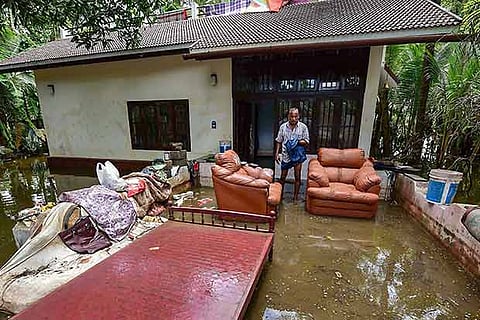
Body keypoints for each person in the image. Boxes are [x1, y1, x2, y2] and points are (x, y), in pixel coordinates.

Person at [275, 107, 310, 202]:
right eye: (291, 116)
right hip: (286, 154)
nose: (293, 119)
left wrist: (297, 142)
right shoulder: (283, 127)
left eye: (295, 116)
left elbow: (307, 141)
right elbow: (279, 140)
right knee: (282, 177)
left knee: (297, 177)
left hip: (298, 154)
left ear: (299, 116)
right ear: (288, 116)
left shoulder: (303, 127)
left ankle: (295, 198)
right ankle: (280, 196)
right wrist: (277, 153)